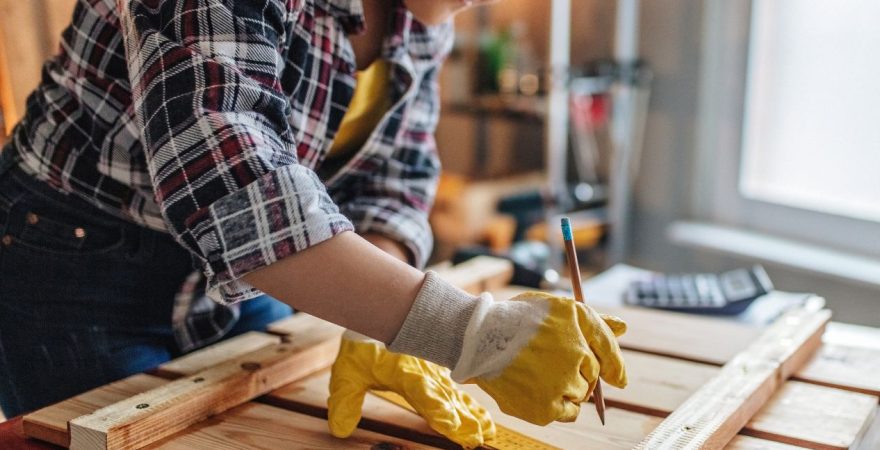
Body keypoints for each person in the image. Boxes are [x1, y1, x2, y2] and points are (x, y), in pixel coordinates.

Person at [0, 0, 626, 447]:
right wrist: (467, 332)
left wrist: (378, 322)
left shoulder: (425, 14)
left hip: (240, 272)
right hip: (73, 255)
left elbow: (394, 179)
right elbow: (233, 185)